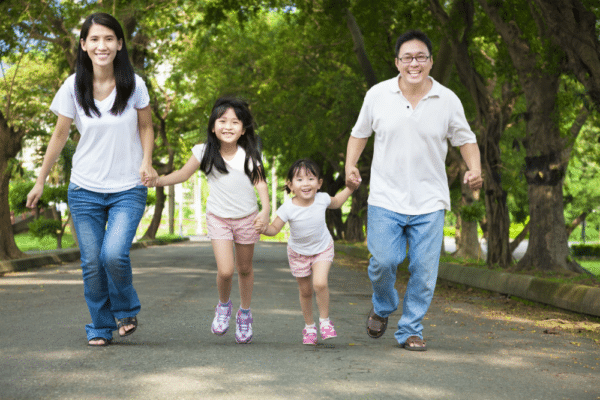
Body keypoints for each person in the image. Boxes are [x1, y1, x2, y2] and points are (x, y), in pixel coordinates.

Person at [345, 29, 483, 351]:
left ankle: (410, 330)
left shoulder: (447, 99)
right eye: (407, 57)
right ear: (397, 62)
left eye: (421, 56)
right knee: (383, 261)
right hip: (385, 197)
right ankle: (382, 305)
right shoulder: (377, 95)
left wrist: (474, 169)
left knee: (423, 270)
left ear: (431, 62)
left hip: (430, 200)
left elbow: (466, 139)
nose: (414, 63)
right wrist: (351, 165)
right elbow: (359, 134)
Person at [26, 13, 158, 347]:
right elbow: (59, 135)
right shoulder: (73, 86)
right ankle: (100, 326)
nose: (102, 46)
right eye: (95, 39)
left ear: (119, 44)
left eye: (109, 39)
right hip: (84, 189)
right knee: (91, 262)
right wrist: (40, 180)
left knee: (113, 254)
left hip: (128, 187)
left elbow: (145, 126)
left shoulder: (135, 84)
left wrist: (147, 161)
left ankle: (125, 309)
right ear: (84, 45)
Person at [144, 97, 269, 344]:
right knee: (226, 270)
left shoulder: (249, 154)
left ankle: (244, 314)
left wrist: (265, 210)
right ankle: (223, 306)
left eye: (235, 122)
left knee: (244, 269)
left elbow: (261, 183)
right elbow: (182, 174)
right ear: (213, 126)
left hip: (247, 218)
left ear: (243, 129)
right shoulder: (203, 151)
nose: (228, 126)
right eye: (222, 121)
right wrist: (158, 181)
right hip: (218, 218)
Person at [257, 159, 360, 345]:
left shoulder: (321, 199)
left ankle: (325, 322)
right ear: (290, 185)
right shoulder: (287, 208)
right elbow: (274, 229)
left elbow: (337, 202)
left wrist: (350, 189)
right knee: (305, 291)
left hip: (322, 248)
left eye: (311, 179)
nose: (306, 183)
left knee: (320, 284)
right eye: (299, 179)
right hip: (298, 253)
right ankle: (309, 326)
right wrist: (263, 229)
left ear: (319, 183)